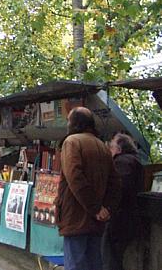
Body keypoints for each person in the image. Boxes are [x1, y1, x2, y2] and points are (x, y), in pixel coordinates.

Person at [55, 107, 121, 270]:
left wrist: (95, 208)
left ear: (75, 123)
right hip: (97, 220)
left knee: (75, 264)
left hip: (76, 216)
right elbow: (115, 183)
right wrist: (106, 209)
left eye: (69, 121)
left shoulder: (72, 142)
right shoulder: (103, 146)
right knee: (94, 264)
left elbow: (75, 177)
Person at [102, 133, 143, 270]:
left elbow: (120, 189)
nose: (109, 149)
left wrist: (107, 208)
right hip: (128, 218)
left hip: (119, 220)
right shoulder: (134, 161)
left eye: (112, 146)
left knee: (110, 259)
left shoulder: (122, 163)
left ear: (119, 149)